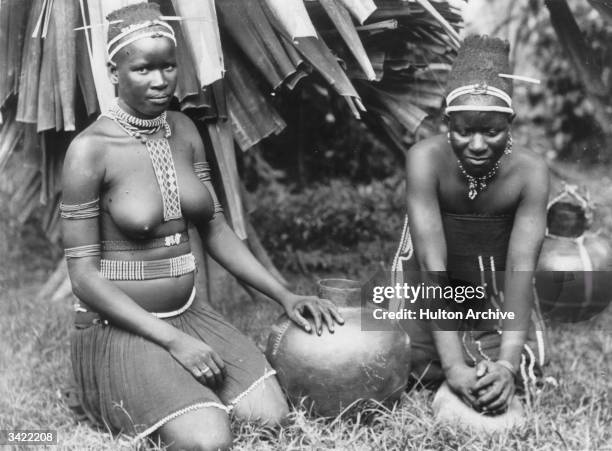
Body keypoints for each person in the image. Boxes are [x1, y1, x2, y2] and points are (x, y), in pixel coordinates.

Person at [61, 3, 343, 449]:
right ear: (114, 71)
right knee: (208, 442)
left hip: (190, 314)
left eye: (168, 66)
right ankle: (113, 391)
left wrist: (285, 295)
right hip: (123, 327)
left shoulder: (185, 129)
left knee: (271, 417)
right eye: (143, 69)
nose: (160, 81)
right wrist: (174, 342)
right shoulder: (89, 150)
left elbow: (215, 229)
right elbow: (83, 278)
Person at [396, 35, 549, 416]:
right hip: (430, 290)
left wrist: (509, 365)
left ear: (510, 124)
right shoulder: (424, 160)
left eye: (492, 131)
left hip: (490, 294)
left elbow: (519, 272)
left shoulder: (530, 172)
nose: (477, 145)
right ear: (446, 123)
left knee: (514, 365)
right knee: (403, 359)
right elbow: (433, 267)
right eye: (464, 130)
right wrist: (451, 365)